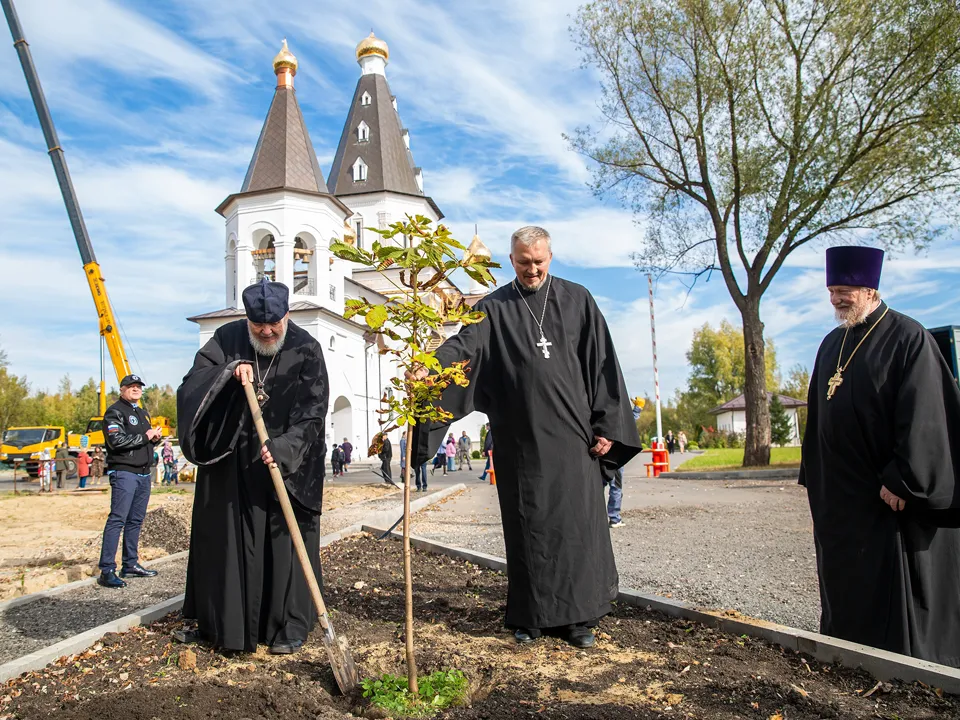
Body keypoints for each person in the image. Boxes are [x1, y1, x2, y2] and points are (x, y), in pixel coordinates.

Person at [412, 226, 641, 648]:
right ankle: (530, 617)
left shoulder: (578, 300)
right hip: (521, 444)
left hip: (575, 441)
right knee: (528, 527)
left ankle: (580, 620)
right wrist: (430, 367)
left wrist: (608, 425)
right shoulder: (495, 308)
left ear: (550, 257)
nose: (531, 269)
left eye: (538, 261)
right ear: (512, 259)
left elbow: (604, 363)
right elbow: (462, 347)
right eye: (522, 262)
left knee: (577, 529)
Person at [800, 246, 960, 668]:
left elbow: (927, 417)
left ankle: (903, 665)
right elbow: (820, 418)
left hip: (887, 499)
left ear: (870, 288)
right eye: (832, 290)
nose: (836, 298)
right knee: (845, 591)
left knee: (890, 592)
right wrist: (816, 477)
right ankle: (846, 653)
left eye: (844, 290)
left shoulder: (908, 338)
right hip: (842, 503)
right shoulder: (832, 343)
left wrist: (904, 478)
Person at [176, 278, 328, 654]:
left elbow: (313, 412)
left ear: (287, 315)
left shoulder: (306, 348)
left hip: (285, 466)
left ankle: (288, 624)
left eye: (274, 323)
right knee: (229, 543)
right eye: (258, 325)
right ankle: (226, 625)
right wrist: (227, 373)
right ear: (246, 319)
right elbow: (191, 386)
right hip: (233, 465)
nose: (266, 331)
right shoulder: (226, 339)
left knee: (285, 545)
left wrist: (285, 447)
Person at [97, 374, 163, 589]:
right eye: (131, 386)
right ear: (122, 389)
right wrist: (146, 436)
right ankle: (107, 570)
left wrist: (155, 438)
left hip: (144, 473)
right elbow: (116, 441)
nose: (136, 389)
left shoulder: (142, 413)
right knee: (118, 519)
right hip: (125, 472)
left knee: (136, 520)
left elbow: (145, 440)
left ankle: (130, 564)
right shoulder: (115, 411)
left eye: (138, 387)